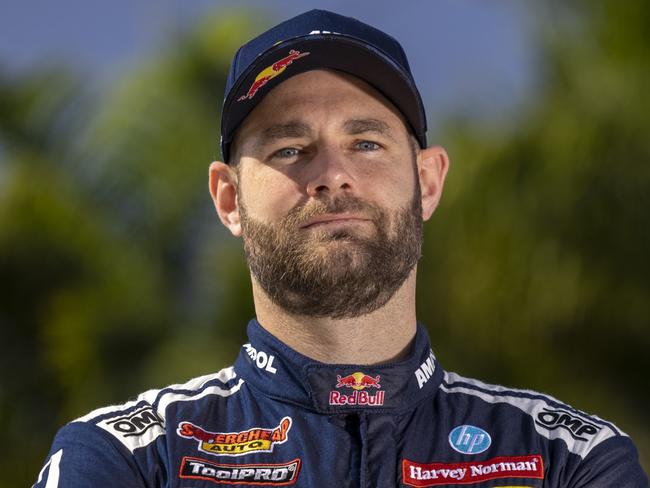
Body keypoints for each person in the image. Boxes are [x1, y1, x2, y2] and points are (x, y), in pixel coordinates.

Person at [34, 9, 648, 488]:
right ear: (228, 199)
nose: (332, 174)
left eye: (367, 143)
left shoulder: (568, 459)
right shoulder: (128, 457)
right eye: (289, 149)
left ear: (428, 181)